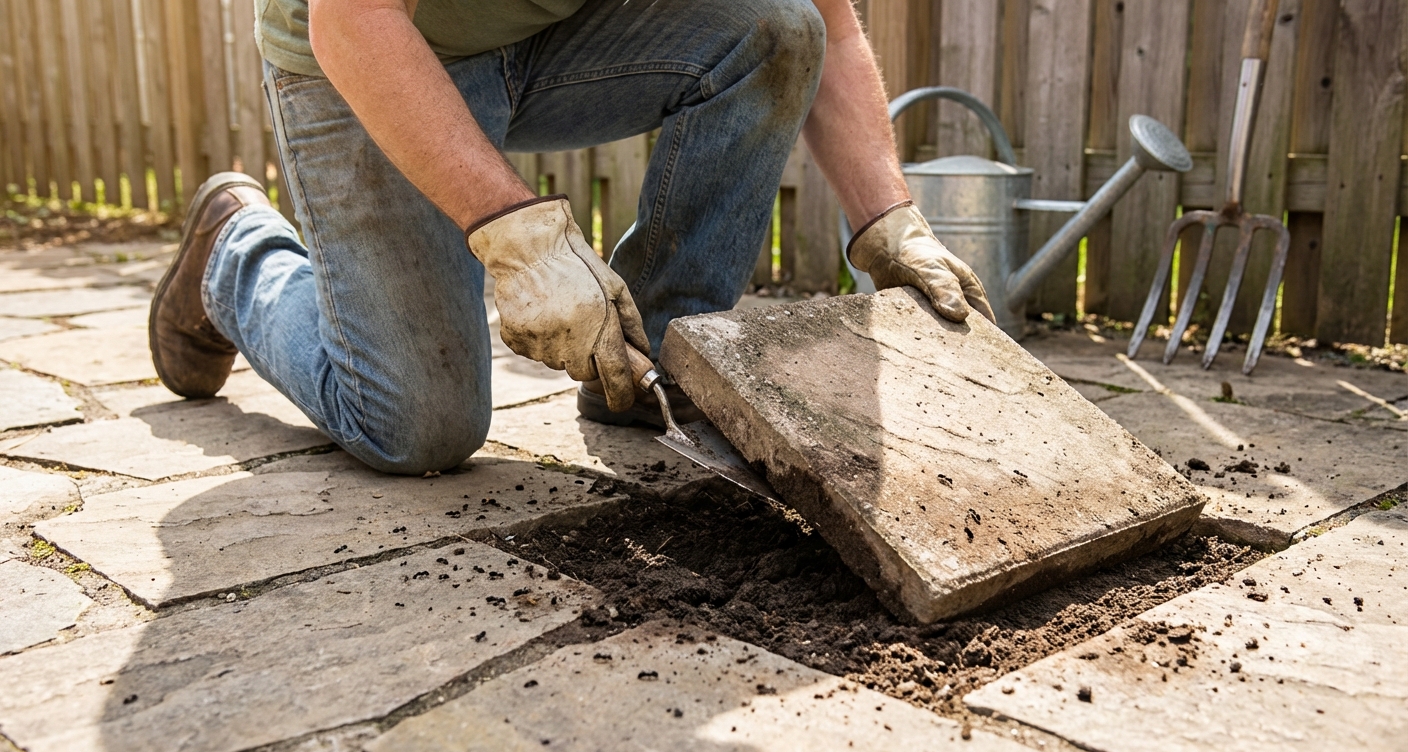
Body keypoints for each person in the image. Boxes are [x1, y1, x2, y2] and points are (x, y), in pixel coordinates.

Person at [148, 0, 994, 475]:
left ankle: (654, 362)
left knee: (776, 26)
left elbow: (829, 26)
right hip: (376, 51)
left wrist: (887, 219)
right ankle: (235, 251)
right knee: (418, 428)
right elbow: (353, 20)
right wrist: (516, 237)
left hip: (560, 36)